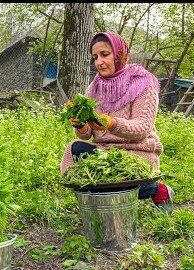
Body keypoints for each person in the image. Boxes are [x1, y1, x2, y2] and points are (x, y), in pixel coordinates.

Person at [60, 31, 174, 213]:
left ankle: (155, 189)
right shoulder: (94, 87)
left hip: (136, 153)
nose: (99, 62)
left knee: (111, 179)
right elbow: (89, 133)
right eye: (95, 57)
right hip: (105, 153)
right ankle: (105, 200)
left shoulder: (142, 82)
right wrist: (81, 126)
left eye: (105, 54)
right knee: (75, 150)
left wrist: (112, 123)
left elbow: (143, 128)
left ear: (119, 54)